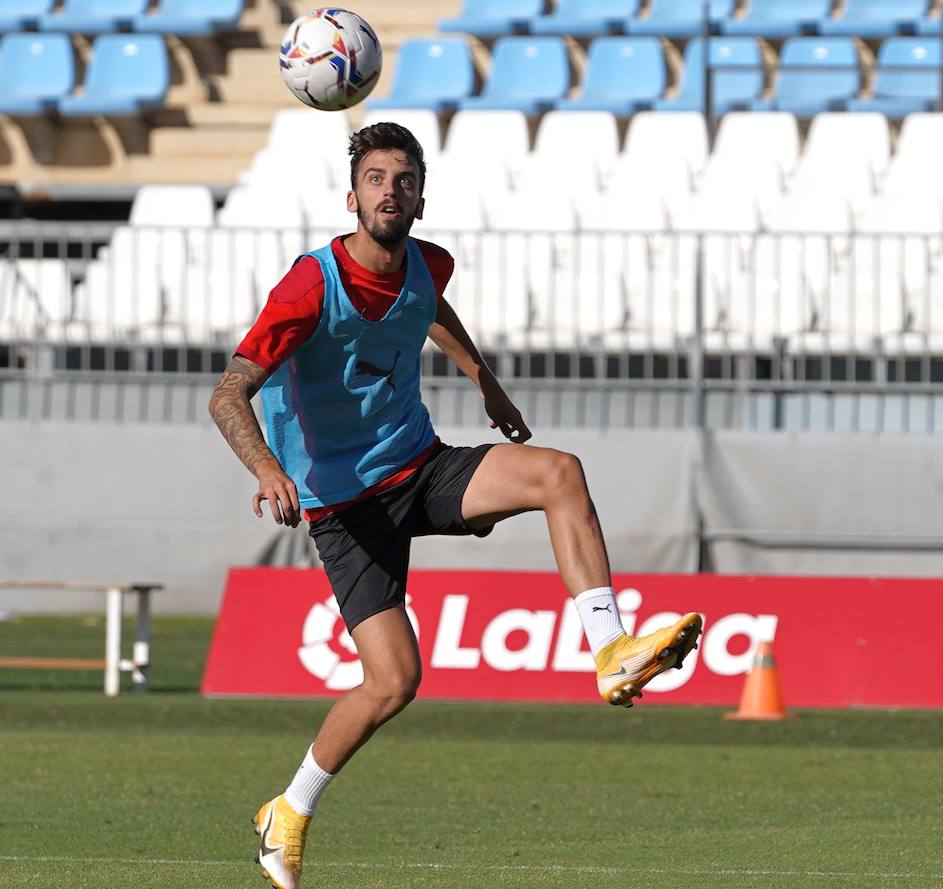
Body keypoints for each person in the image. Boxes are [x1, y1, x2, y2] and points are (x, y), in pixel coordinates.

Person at [208, 123, 702, 889]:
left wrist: (483, 377)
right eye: (375, 178)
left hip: (420, 465)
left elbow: (430, 305)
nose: (388, 191)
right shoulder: (310, 285)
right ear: (352, 195)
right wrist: (269, 468)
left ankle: (611, 650)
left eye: (402, 180)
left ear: (419, 196)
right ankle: (290, 810)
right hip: (344, 506)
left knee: (559, 473)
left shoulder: (426, 264)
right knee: (394, 681)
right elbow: (227, 391)